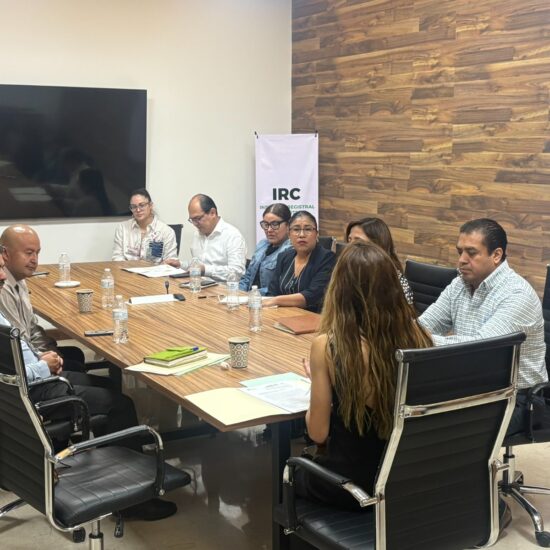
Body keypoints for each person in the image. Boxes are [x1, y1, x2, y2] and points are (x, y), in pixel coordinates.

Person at [0, 245, 177, 521]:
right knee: (119, 404)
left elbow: (22, 348)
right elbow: (17, 370)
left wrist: (44, 358)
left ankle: (105, 461)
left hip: (26, 385)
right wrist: (44, 365)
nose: (3, 274)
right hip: (36, 389)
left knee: (105, 385)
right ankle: (135, 501)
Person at [296, 242, 432, 509]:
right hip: (405, 481)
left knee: (290, 474)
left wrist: (319, 386)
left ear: (339, 289)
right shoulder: (420, 337)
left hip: (352, 487)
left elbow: (318, 434)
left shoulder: (328, 346)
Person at [419, 218, 548, 436]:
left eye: (471, 253)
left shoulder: (517, 295)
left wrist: (417, 338)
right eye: (459, 252)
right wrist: (405, 334)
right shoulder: (459, 284)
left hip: (519, 400)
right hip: (475, 388)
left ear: (496, 255)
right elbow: (425, 325)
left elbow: (480, 350)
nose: (461, 260)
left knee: (437, 428)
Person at [0, 225, 86, 371]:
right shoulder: (3, 288)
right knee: (78, 367)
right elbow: (19, 343)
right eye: (28, 253)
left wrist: (52, 352)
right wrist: (45, 360)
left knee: (75, 355)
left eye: (37, 253)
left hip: (33, 359)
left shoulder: (19, 278)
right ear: (5, 253)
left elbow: (32, 327)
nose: (34, 260)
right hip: (28, 367)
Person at [264, 211, 336, 313]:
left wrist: (276, 300)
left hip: (311, 317)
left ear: (316, 234)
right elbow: (272, 292)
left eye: (308, 229)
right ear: (289, 234)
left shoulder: (327, 258)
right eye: (296, 229)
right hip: (280, 315)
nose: (301, 235)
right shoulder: (284, 257)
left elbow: (312, 295)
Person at [167, 194, 246, 281]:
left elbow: (236, 272)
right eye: (192, 220)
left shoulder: (233, 236)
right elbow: (197, 264)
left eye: (198, 218)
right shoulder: (198, 234)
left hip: (223, 287)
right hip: (198, 284)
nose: (195, 224)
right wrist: (180, 265)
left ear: (212, 213)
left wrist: (206, 270)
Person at [345, 217, 413, 305]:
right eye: (349, 240)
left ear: (377, 245)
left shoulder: (396, 282)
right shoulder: (350, 269)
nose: (349, 246)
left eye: (358, 241)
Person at [112, 188, 178, 263]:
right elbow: (117, 257)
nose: (138, 210)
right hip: (127, 269)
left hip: (156, 270)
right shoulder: (122, 228)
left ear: (150, 205)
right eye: (134, 207)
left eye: (142, 205)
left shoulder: (166, 231)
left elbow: (171, 261)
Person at [239, 203, 292, 295]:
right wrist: (238, 293)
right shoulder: (262, 244)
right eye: (266, 224)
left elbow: (279, 288)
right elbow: (247, 277)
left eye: (275, 224)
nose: (269, 230)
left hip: (269, 300)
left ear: (288, 225)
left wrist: (251, 295)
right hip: (249, 298)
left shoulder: (291, 250)